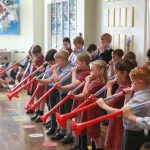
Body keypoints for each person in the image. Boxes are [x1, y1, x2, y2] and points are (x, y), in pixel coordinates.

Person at [97, 65, 150, 150]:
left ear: (140, 83)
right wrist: (127, 97)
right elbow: (127, 109)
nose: (131, 84)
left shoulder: (141, 98)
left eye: (132, 82)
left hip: (132, 134)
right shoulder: (140, 94)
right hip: (133, 132)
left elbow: (120, 113)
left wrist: (104, 105)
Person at [96, 59, 133, 150]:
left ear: (124, 73)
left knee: (117, 143)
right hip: (118, 117)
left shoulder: (124, 87)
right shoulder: (127, 84)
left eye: (116, 73)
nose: (115, 75)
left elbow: (109, 101)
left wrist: (109, 87)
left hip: (119, 120)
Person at [36, 50, 72, 140]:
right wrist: (39, 80)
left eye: (57, 61)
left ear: (64, 61)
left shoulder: (68, 69)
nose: (55, 63)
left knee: (67, 115)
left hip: (69, 94)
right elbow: (50, 80)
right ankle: (61, 131)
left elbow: (58, 80)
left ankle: (68, 135)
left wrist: (54, 70)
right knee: (61, 114)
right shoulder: (59, 68)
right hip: (62, 93)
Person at [72, 60, 107, 150]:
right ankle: (90, 147)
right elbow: (84, 95)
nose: (90, 72)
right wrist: (75, 96)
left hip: (93, 110)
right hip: (88, 109)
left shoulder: (97, 83)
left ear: (100, 71)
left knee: (95, 134)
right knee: (91, 133)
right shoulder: (94, 81)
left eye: (92, 70)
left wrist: (87, 81)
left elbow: (84, 93)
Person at [58, 52, 91, 146]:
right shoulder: (80, 71)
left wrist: (73, 73)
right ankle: (78, 143)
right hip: (77, 98)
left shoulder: (86, 73)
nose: (75, 65)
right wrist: (62, 87)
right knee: (77, 120)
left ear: (84, 63)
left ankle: (81, 143)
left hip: (82, 98)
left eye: (77, 63)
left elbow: (73, 84)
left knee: (80, 120)